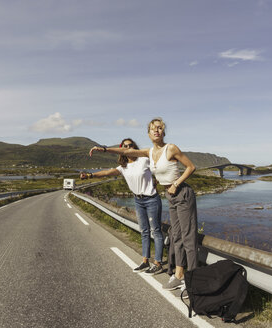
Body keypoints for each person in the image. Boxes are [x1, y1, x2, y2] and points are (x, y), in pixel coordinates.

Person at [90, 118, 198, 291]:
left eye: (159, 128)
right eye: (153, 128)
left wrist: (176, 184)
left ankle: (193, 281)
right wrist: (104, 149)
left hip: (182, 193)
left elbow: (191, 167)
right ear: (148, 134)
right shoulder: (148, 153)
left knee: (188, 237)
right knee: (177, 236)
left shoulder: (170, 148)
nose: (156, 130)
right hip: (170, 196)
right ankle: (179, 275)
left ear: (163, 132)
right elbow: (124, 152)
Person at [83, 138, 164, 275]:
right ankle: (145, 261)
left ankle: (158, 263)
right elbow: (107, 173)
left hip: (151, 200)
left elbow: (159, 168)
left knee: (155, 231)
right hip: (138, 201)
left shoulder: (144, 159)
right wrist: (90, 175)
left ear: (135, 147)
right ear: (122, 150)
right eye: (125, 146)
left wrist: (157, 181)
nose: (128, 148)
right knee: (144, 231)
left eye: (130, 145)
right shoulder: (123, 167)